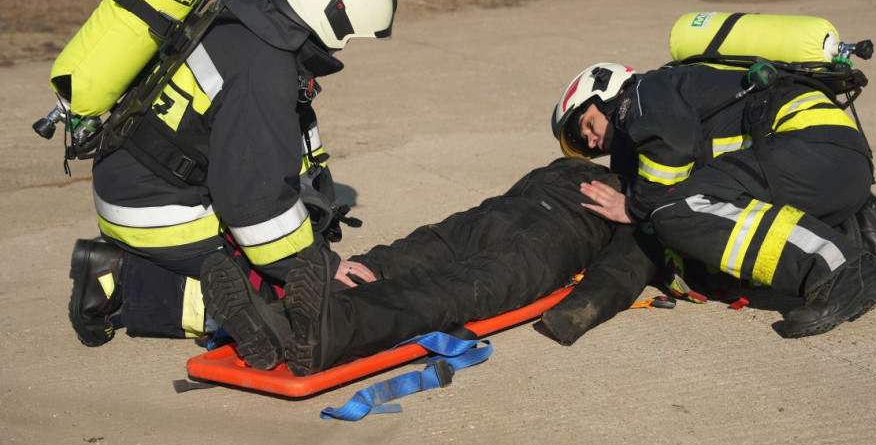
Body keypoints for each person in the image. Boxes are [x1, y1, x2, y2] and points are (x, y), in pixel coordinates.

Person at [67, 0, 399, 348]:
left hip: (132, 177)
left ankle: (141, 267)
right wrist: (321, 266)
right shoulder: (266, 69)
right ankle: (118, 281)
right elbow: (255, 207)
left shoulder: (243, 16)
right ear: (333, 15)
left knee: (276, 276)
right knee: (284, 306)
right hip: (153, 210)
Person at [551, 62, 876, 339]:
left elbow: (673, 147)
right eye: (584, 146)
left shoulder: (644, 94)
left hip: (804, 141)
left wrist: (634, 207)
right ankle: (857, 221)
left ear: (605, 90)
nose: (589, 141)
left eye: (585, 125)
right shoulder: (670, 99)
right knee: (692, 208)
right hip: (834, 162)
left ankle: (841, 272)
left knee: (674, 211)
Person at [199, 158, 661, 373]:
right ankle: (306, 324)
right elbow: (624, 267)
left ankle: (302, 326)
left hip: (513, 229)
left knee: (415, 274)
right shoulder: (619, 190)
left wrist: (574, 314)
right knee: (424, 276)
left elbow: (622, 267)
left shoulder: (596, 181)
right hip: (520, 231)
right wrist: (573, 314)